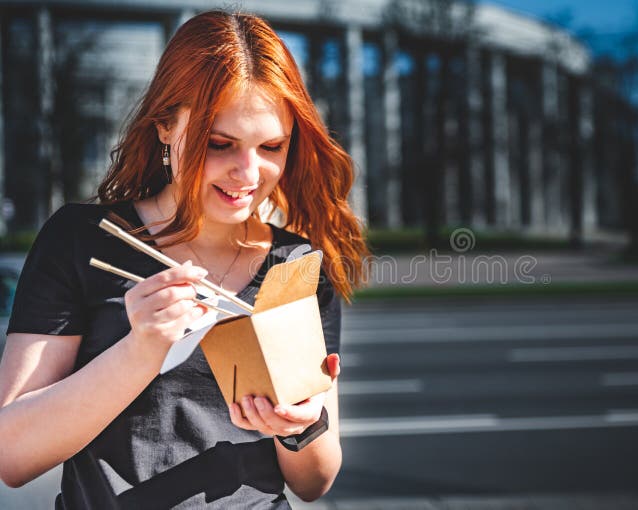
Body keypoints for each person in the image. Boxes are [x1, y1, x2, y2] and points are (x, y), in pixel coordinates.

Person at [0, 10, 368, 509]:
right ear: (165, 127)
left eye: (272, 146)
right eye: (221, 144)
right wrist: (141, 350)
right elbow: (13, 455)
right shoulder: (83, 240)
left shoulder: (295, 266)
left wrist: (302, 427)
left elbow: (313, 482)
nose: (248, 172)